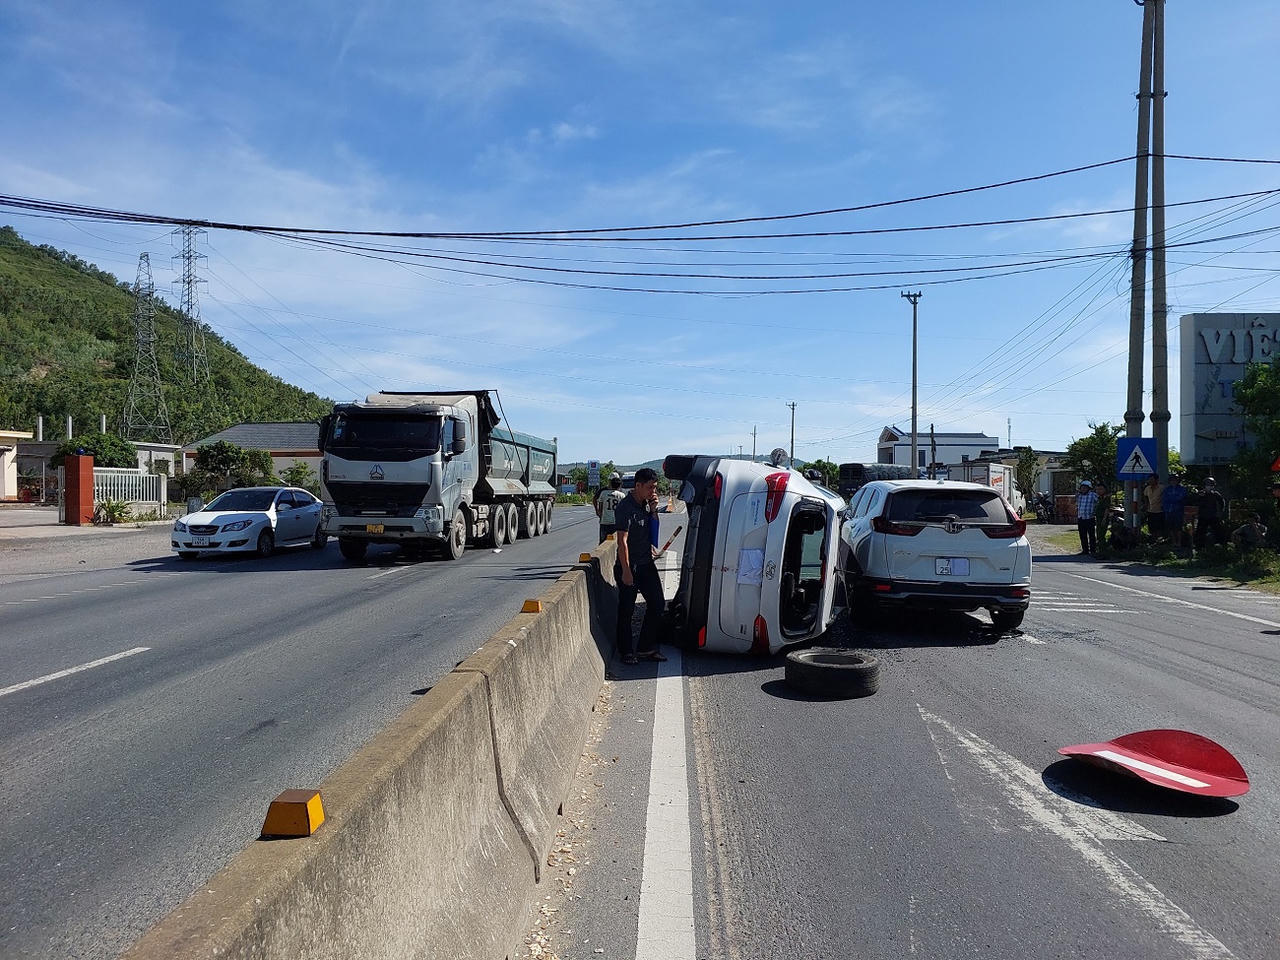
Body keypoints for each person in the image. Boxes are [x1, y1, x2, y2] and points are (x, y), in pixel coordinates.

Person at [614, 467, 667, 665]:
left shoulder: (646, 505)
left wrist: (653, 511)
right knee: (626, 610)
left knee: (657, 604)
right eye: (650, 487)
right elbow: (622, 542)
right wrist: (626, 571)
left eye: (655, 487)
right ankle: (626, 651)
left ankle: (645, 647)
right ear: (638, 486)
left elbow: (654, 537)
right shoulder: (625, 508)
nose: (653, 491)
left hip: (646, 563)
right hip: (630, 566)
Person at [1194, 476, 1227, 548]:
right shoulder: (1200, 494)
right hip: (1203, 515)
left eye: (1210, 485)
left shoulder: (1215, 494)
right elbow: (1195, 503)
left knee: (1218, 530)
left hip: (1213, 515)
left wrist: (1221, 512)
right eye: (1207, 485)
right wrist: (1200, 497)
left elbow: (1222, 502)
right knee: (1200, 531)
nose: (1208, 487)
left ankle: (1221, 544)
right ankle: (1199, 546)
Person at [595, 473, 625, 544]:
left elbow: (600, 505)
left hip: (605, 521)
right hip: (616, 522)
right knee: (617, 542)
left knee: (603, 542)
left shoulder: (603, 493)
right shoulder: (622, 495)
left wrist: (599, 513)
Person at [1162, 473, 1188, 547]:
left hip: (1178, 511)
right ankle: (1173, 542)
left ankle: (1179, 542)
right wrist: (1173, 499)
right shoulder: (1167, 489)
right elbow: (1165, 499)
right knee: (1170, 527)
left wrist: (1172, 499)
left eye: (1175, 480)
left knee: (1178, 527)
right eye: (1172, 480)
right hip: (1169, 511)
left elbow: (1180, 498)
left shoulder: (1182, 489)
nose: (1173, 481)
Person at [1075, 479, 1098, 556]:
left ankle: (1093, 550)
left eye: (1085, 487)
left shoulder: (1093, 495)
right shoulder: (1079, 496)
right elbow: (1077, 504)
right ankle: (1085, 550)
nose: (1083, 489)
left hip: (1090, 518)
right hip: (1081, 517)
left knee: (1091, 535)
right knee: (1082, 535)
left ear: (1089, 488)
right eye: (1082, 487)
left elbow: (1098, 502)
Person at [1143, 473, 1165, 537]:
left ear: (1156, 480)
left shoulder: (1162, 488)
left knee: (1159, 526)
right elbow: (1145, 496)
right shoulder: (1147, 488)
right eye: (1149, 479)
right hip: (1151, 510)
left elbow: (1165, 497)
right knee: (1151, 526)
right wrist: (1146, 505)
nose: (1150, 481)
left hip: (1160, 510)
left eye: (1152, 479)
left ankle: (1159, 538)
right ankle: (1153, 538)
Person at [1094, 482, 1110, 551]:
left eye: (1100, 489)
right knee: (1098, 535)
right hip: (1098, 518)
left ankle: (1103, 551)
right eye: (1097, 489)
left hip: (1103, 518)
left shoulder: (1106, 498)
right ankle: (1100, 550)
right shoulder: (1099, 498)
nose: (1098, 491)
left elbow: (1107, 509)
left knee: (1101, 535)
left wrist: (1104, 518)